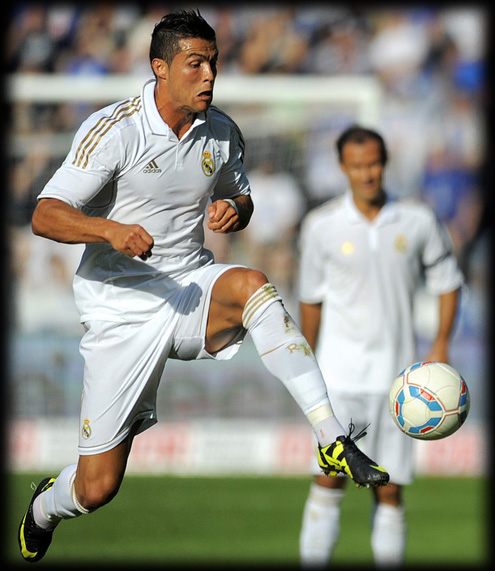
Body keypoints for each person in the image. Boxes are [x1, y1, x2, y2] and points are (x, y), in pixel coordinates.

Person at [18, 12, 389, 563]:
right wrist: (110, 229)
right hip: (121, 310)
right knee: (97, 488)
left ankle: (330, 436)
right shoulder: (115, 130)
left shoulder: (222, 131)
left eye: (213, 62)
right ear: (160, 68)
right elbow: (45, 214)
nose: (209, 75)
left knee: (253, 285)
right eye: (196, 64)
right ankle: (44, 508)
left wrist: (233, 209)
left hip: (190, 285)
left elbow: (243, 199)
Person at [298, 125, 464, 567]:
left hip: (399, 383)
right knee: (328, 480)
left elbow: (448, 283)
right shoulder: (321, 226)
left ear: (384, 163)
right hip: (338, 378)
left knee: (390, 488)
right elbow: (310, 300)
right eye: (356, 166)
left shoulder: (418, 220)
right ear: (342, 168)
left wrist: (442, 343)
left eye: (373, 164)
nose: (366, 174)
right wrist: (305, 372)